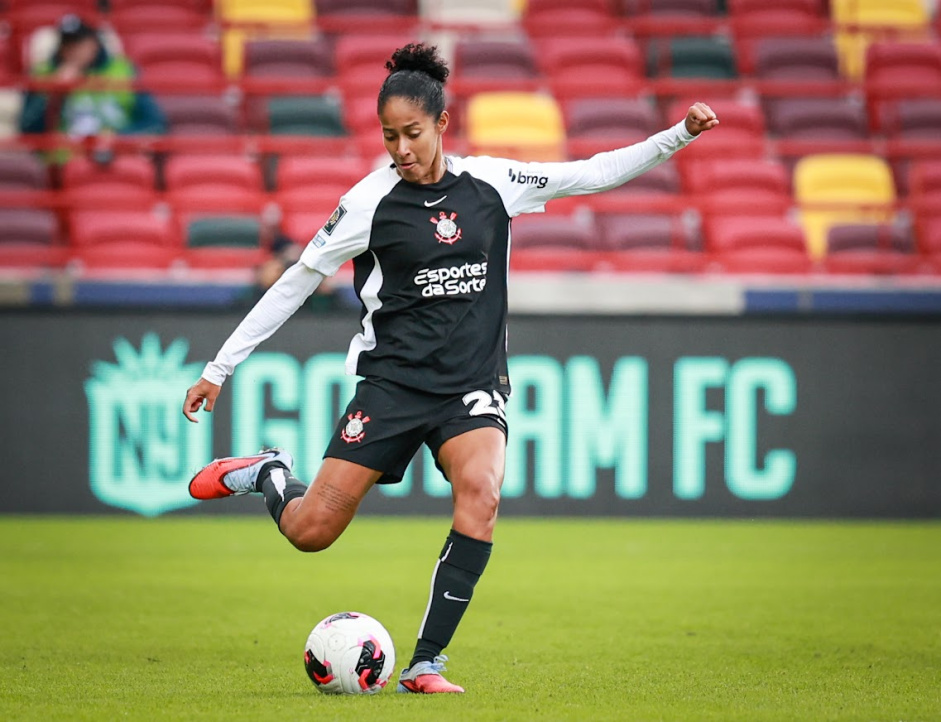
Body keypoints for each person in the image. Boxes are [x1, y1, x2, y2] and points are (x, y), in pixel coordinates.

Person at [183, 43, 718, 694]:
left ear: (442, 123)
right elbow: (296, 281)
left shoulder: (492, 184)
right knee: (310, 531)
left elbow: (592, 173)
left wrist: (678, 135)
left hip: (470, 385)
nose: (401, 149)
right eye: (388, 137)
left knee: (482, 495)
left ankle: (424, 663)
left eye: (412, 133)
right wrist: (220, 366)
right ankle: (266, 473)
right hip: (392, 384)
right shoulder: (367, 204)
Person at [19, 14, 166, 137]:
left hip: (117, 153)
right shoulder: (42, 74)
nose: (72, 51)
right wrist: (55, 93)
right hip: (65, 159)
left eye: (80, 43)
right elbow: (29, 129)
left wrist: (118, 136)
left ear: (95, 44)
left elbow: (154, 123)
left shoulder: (124, 70)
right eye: (67, 44)